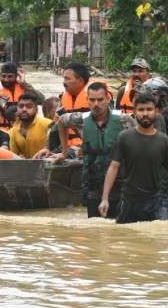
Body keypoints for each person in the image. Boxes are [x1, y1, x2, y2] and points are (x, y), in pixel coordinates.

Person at [53, 83, 135, 217]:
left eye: (100, 100)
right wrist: (64, 152)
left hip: (119, 181)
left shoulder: (123, 120)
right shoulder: (81, 120)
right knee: (94, 223)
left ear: (108, 99)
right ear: (87, 100)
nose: (96, 104)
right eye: (92, 100)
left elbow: (137, 143)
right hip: (92, 181)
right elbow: (61, 122)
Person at [99, 93, 168, 223]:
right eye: (141, 110)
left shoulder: (163, 140)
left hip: (157, 200)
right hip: (130, 199)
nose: (145, 113)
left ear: (156, 111)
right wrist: (105, 199)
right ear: (134, 112)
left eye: (149, 109)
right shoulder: (124, 137)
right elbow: (113, 167)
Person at [9, 94, 53, 159]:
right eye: (21, 106)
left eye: (28, 106)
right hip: (25, 166)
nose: (24, 109)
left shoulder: (47, 124)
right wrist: (18, 157)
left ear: (36, 109)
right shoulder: (13, 131)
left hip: (47, 165)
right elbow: (13, 154)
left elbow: (57, 148)